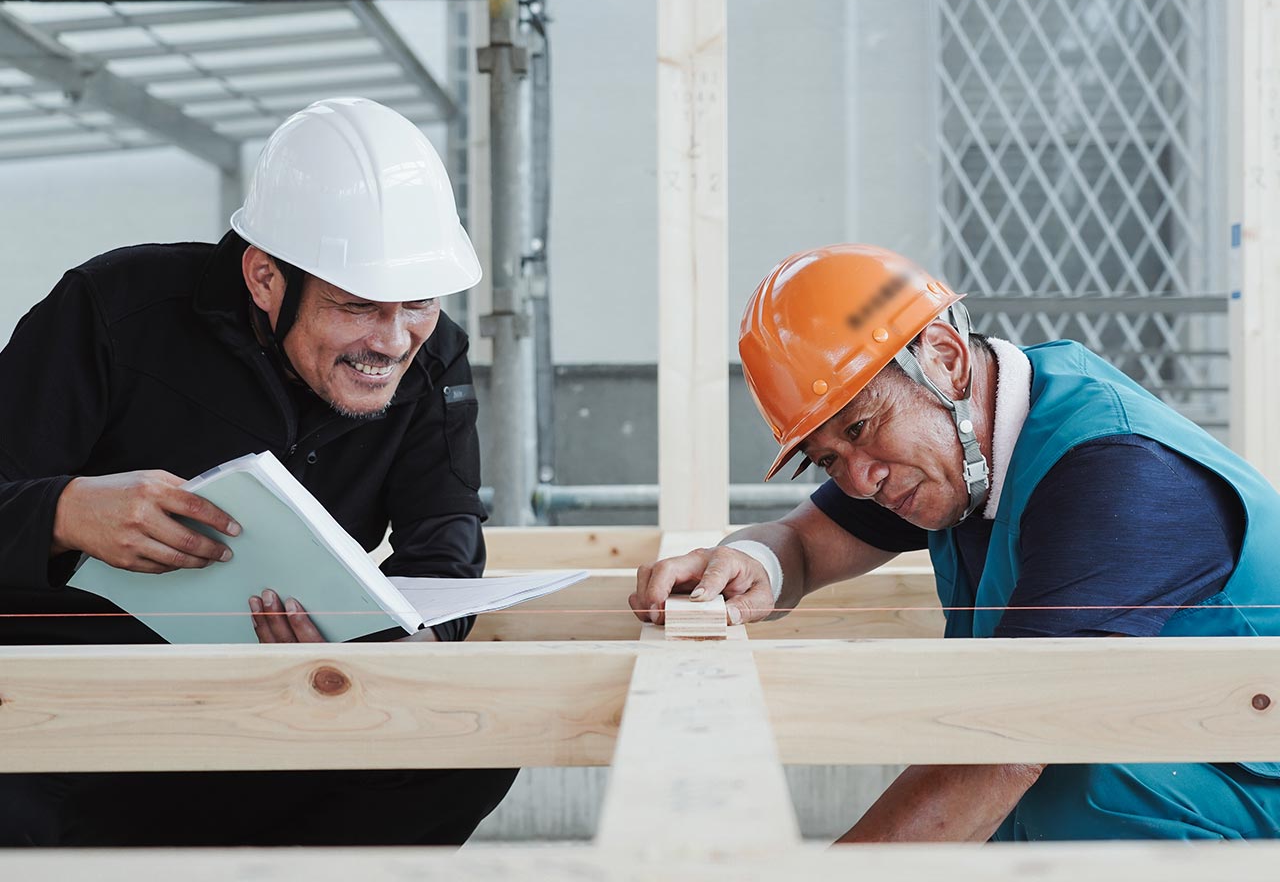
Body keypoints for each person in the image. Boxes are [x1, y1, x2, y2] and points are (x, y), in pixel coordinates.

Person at [632, 243, 1280, 841]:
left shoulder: (1112, 474)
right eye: (828, 460)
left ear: (944, 357)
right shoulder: (953, 451)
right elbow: (799, 545)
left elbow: (1007, 747)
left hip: (1251, 789)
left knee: (1064, 775)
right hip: (1170, 766)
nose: (860, 481)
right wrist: (748, 562)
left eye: (859, 429)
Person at [0, 97, 516, 845]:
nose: (395, 341)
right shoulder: (113, 312)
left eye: (419, 303)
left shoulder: (434, 358)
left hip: (286, 722)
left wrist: (404, 651)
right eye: (358, 306)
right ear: (266, 278)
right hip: (67, 728)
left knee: (479, 742)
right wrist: (65, 512)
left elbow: (445, 537)